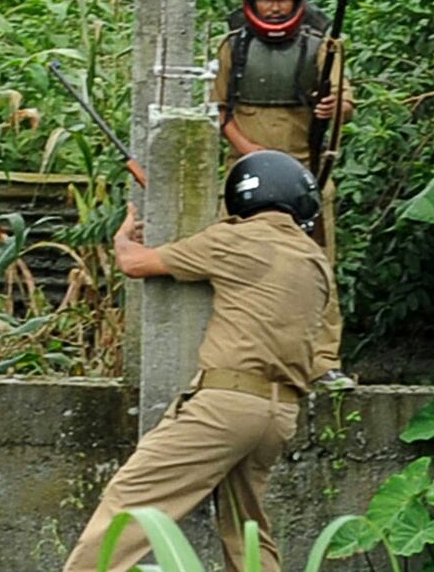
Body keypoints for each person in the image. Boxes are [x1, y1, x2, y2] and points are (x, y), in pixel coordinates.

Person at [63, 151, 333, 572]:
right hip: (279, 414)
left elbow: (136, 264)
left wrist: (123, 239)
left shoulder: (234, 240)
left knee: (131, 503)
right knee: (247, 531)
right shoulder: (314, 259)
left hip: (225, 405)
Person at [212, 0, 355, 390]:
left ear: (298, 2)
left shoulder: (324, 48)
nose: (275, 9)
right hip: (245, 176)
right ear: (249, 1)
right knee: (233, 265)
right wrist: (249, 150)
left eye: (284, 0)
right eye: (265, 0)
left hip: (306, 176)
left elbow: (345, 105)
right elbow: (217, 111)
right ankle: (238, 360)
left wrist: (334, 108)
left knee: (316, 268)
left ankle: (321, 362)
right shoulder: (232, 47)